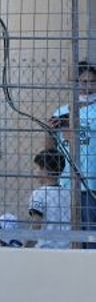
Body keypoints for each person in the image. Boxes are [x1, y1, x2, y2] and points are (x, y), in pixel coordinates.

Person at [49, 60, 96, 242]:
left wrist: (72, 125)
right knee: (67, 235)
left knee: (89, 235)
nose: (88, 87)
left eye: (92, 82)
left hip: (91, 183)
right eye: (83, 82)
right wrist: (52, 128)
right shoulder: (62, 111)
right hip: (66, 183)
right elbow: (50, 144)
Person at [27, 147, 71, 249]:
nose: (35, 171)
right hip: (66, 248)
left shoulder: (38, 194)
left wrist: (26, 247)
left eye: (37, 168)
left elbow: (36, 225)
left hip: (44, 248)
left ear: (45, 170)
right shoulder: (68, 194)